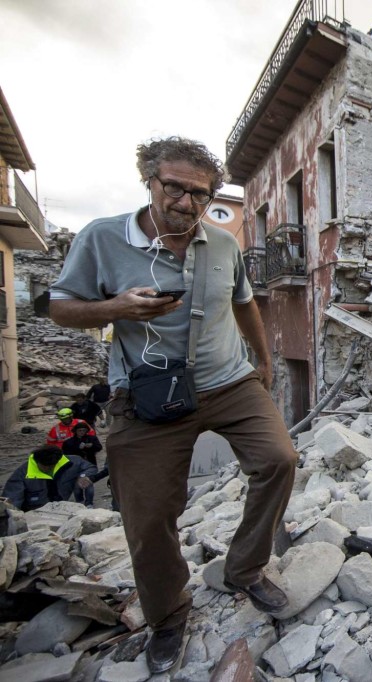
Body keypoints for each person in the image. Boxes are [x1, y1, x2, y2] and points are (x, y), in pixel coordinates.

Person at [49, 136, 297, 674]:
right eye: (175, 188)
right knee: (147, 515)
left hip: (228, 382)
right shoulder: (102, 239)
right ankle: (168, 614)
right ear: (150, 181)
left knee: (279, 459)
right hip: (147, 393)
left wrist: (263, 358)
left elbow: (244, 301)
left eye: (200, 194)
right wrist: (116, 307)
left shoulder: (224, 245)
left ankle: (246, 570)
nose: (186, 203)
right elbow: (60, 308)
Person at [2, 446, 97, 512]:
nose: (47, 469)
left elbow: (91, 468)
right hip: (34, 512)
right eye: (44, 466)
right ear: (37, 461)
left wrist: (84, 476)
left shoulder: (71, 462)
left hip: (61, 508)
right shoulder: (22, 473)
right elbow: (11, 502)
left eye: (51, 466)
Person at [62, 422, 105, 508]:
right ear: (75, 431)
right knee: (77, 485)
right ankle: (80, 501)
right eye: (80, 430)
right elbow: (66, 455)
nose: (82, 432)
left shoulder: (92, 438)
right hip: (75, 467)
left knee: (88, 482)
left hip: (90, 465)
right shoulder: (68, 442)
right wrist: (78, 449)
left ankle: (89, 503)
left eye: (84, 430)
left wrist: (91, 446)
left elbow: (99, 447)